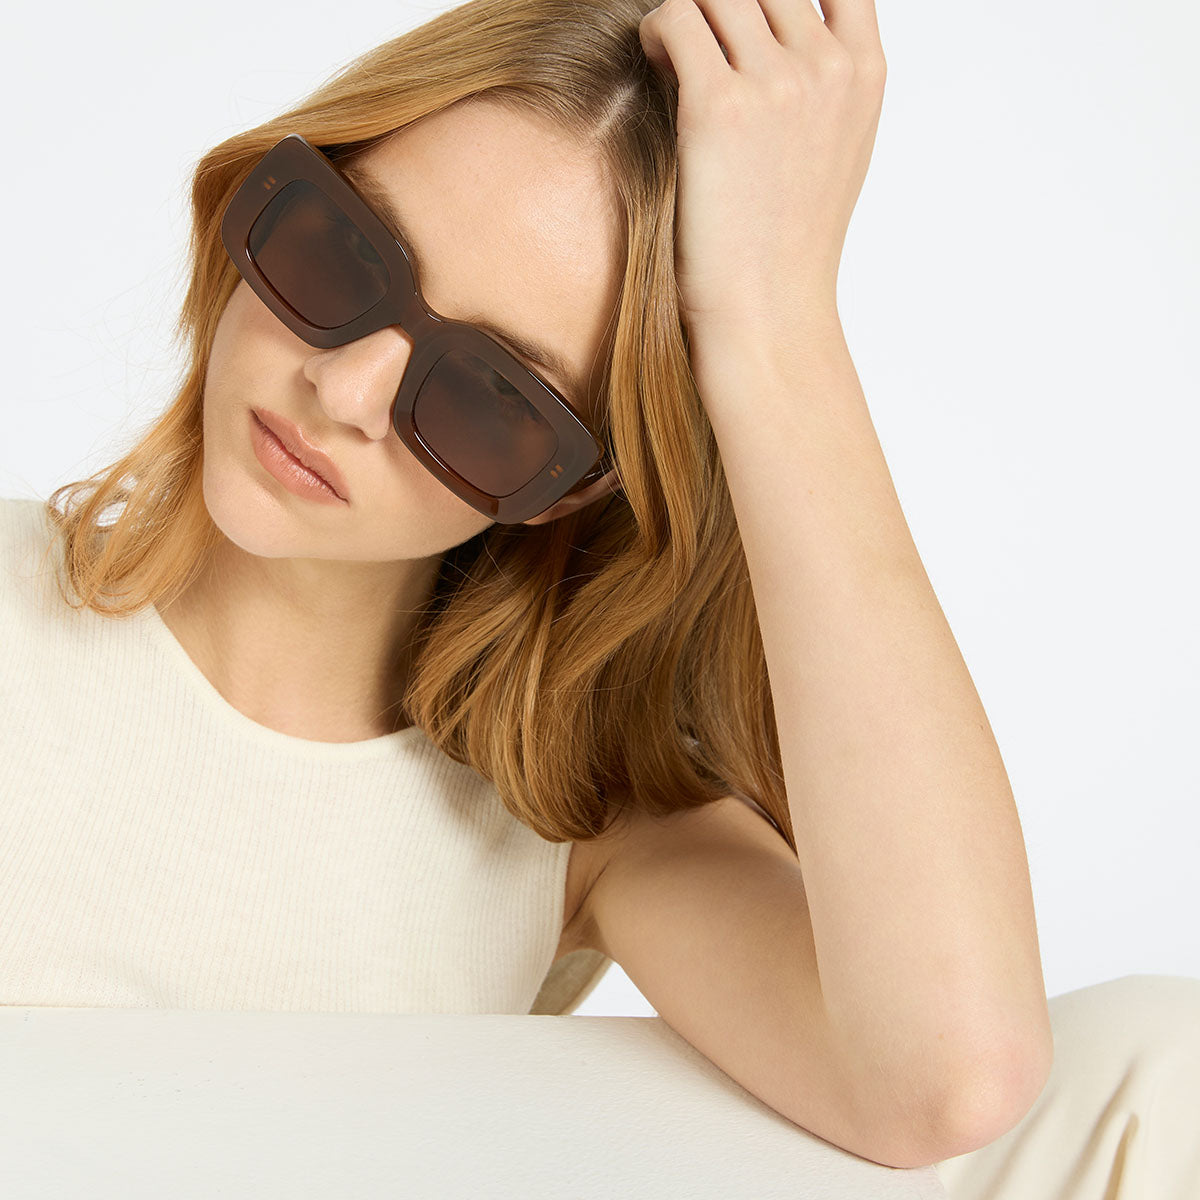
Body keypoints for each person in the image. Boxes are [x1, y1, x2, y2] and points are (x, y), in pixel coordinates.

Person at [2, 0, 1196, 1192]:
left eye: (489, 397)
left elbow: (951, 1075)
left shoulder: (573, 834)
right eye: (343, 254)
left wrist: (775, 325)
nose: (346, 392)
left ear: (569, 490)